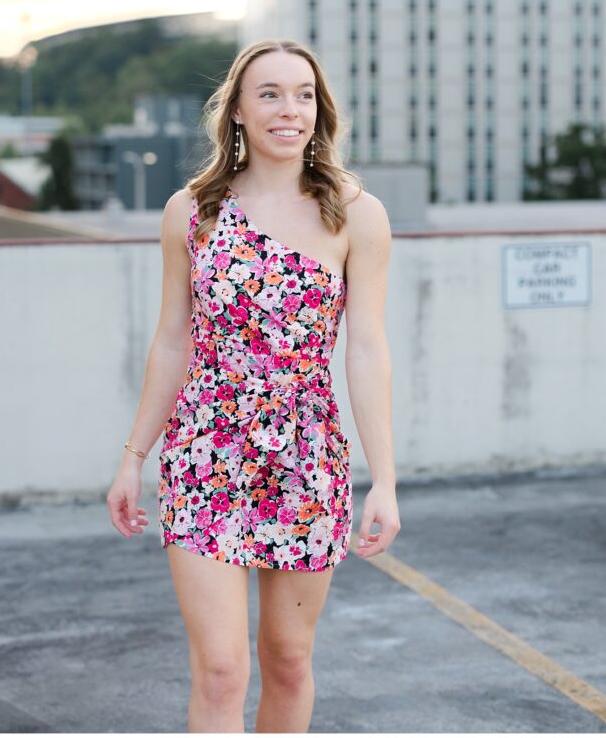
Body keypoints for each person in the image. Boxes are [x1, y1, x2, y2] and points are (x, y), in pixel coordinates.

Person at [107, 38, 400, 733]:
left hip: (305, 459)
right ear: (237, 110)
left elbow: (366, 349)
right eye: (269, 93)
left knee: (289, 659)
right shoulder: (192, 210)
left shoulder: (357, 214)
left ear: (319, 110)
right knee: (219, 670)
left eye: (302, 94)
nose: (287, 109)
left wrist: (383, 478)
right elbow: (172, 339)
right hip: (205, 451)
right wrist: (133, 457)